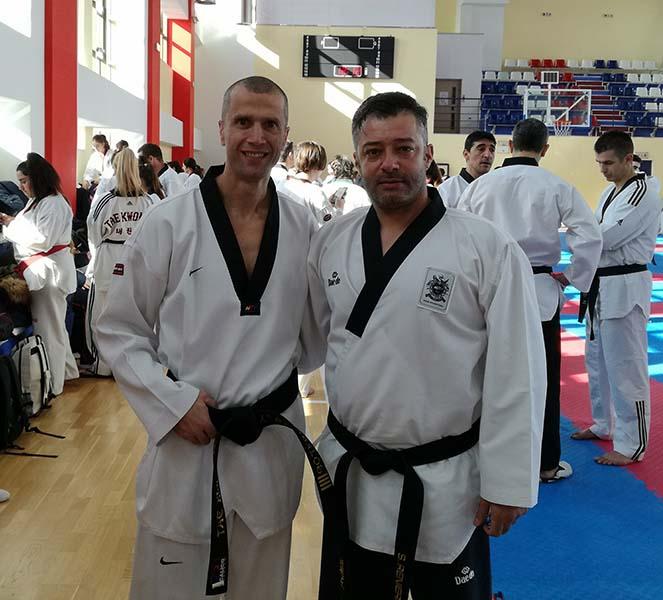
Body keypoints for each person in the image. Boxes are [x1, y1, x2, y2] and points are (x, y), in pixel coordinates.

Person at [307, 92, 546, 599]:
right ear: (358, 159)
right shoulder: (332, 241)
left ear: (428, 154)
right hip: (355, 475)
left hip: (445, 484)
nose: (389, 163)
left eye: (404, 148)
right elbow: (315, 338)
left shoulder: (486, 247)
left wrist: (508, 482)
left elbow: (518, 370)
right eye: (374, 151)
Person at [96, 76, 323, 600]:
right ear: (221, 129)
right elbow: (119, 326)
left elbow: (314, 334)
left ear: (285, 135)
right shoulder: (169, 222)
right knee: (171, 581)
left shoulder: (305, 225)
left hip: (269, 440)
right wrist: (172, 402)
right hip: (188, 438)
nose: (256, 136)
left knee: (262, 583)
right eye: (243, 122)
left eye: (270, 124)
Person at [458, 118, 602, 483]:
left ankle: (480, 461)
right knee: (543, 381)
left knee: (484, 378)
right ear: (545, 149)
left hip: (486, 291)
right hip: (538, 291)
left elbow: (458, 236)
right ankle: (546, 464)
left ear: (509, 146)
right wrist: (573, 276)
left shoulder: (480, 186)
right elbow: (589, 236)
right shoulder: (556, 185)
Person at [571, 132, 659, 466]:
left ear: (629, 159)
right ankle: (603, 423)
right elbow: (594, 233)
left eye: (608, 163)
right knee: (597, 362)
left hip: (624, 286)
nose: (602, 170)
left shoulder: (643, 191)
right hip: (600, 286)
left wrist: (581, 235)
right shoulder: (610, 191)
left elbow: (605, 237)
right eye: (599, 163)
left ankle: (632, 444)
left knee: (626, 367)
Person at [0, 153, 79, 396]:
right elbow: (28, 227)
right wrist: (11, 223)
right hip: (42, 270)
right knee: (55, 327)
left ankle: (52, 385)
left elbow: (42, 239)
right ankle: (67, 372)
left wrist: (11, 228)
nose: (21, 186)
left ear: (37, 178)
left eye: (24, 181)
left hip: (50, 273)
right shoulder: (37, 202)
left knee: (48, 330)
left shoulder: (54, 203)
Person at [84, 149, 155, 376]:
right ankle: (132, 365)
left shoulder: (105, 200)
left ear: (115, 168)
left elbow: (93, 232)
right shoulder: (148, 201)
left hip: (108, 259)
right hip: (136, 260)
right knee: (133, 317)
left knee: (101, 315)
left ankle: (103, 365)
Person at [438, 131, 496, 208]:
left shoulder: (495, 188)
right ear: (466, 154)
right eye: (481, 149)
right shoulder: (447, 189)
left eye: (492, 150)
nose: (487, 155)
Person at [277, 140, 328, 225]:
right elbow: (330, 226)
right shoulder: (315, 192)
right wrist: (339, 209)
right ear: (320, 164)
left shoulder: (282, 185)